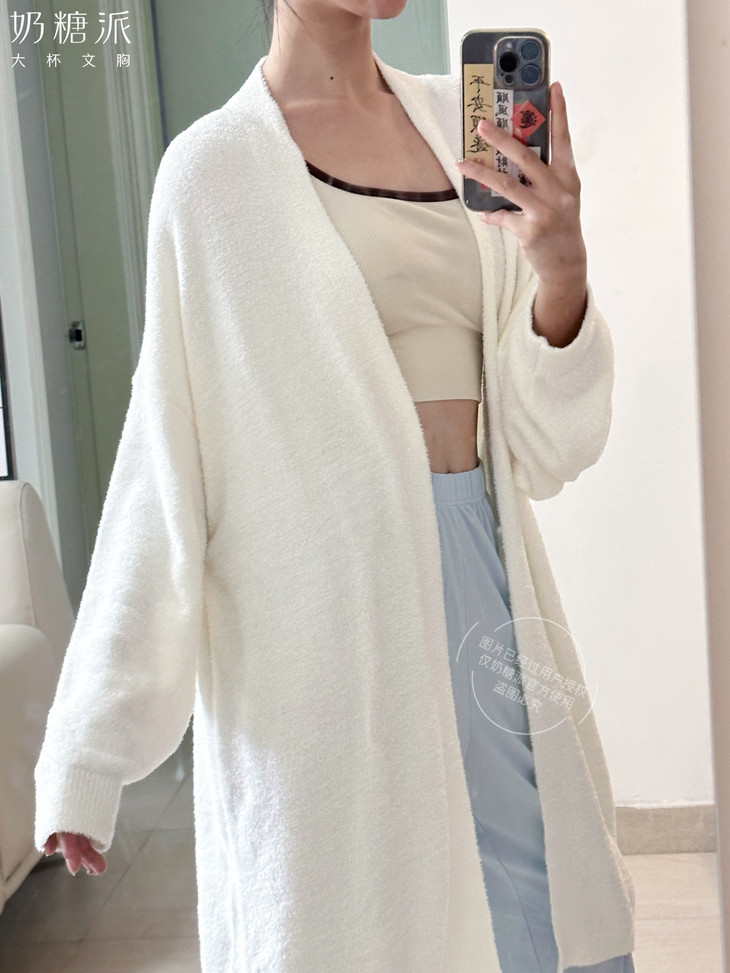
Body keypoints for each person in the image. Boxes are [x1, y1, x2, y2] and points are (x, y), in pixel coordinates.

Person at [36, 1, 637, 970]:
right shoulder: (212, 175)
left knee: (547, 919)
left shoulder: (460, 128)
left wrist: (561, 275)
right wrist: (89, 746)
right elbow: (162, 469)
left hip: (484, 589)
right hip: (325, 649)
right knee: (367, 928)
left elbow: (547, 444)